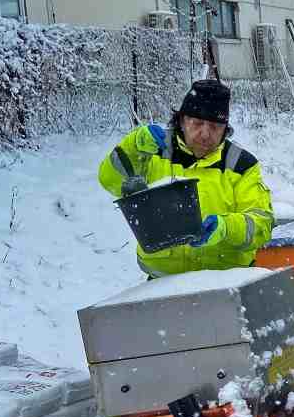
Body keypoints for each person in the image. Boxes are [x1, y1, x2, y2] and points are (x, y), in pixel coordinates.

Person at [98, 80, 274, 277]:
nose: (205, 134)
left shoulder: (241, 164)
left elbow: (261, 224)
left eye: (215, 126)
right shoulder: (152, 152)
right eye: (197, 123)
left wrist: (226, 228)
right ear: (182, 120)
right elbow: (110, 181)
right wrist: (133, 147)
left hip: (225, 282)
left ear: (225, 128)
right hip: (163, 285)